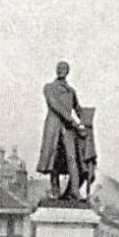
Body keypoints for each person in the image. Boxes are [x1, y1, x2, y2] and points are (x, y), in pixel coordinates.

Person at [36, 61, 88, 200]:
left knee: (72, 158)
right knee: (54, 159)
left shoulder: (71, 91)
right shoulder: (49, 87)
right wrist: (73, 121)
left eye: (64, 68)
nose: (61, 70)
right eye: (59, 68)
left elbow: (78, 109)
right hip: (54, 127)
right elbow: (55, 105)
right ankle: (55, 190)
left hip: (68, 130)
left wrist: (87, 120)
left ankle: (75, 190)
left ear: (68, 71)